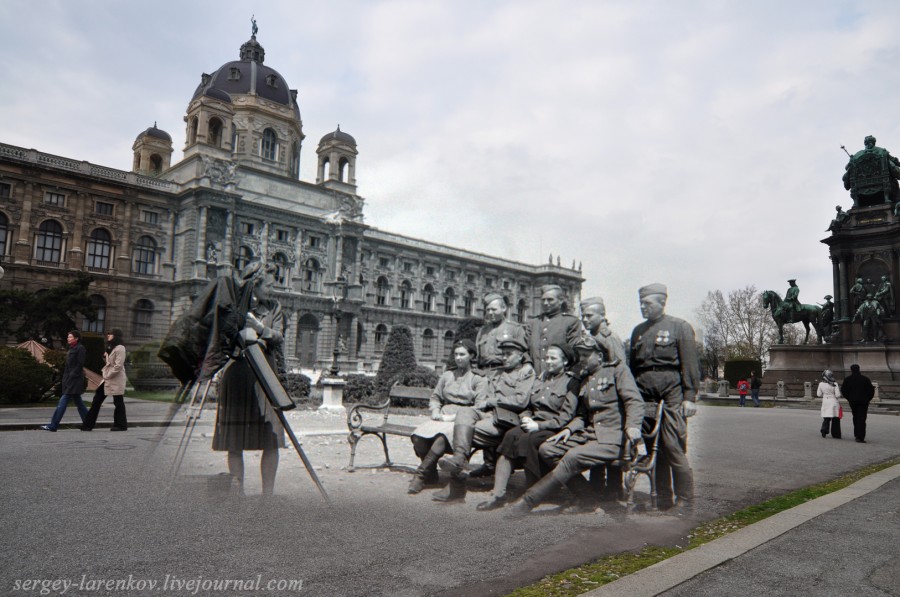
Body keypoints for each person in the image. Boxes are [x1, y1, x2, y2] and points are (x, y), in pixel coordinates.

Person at [507, 335, 644, 516]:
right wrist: (568, 429)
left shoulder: (617, 371)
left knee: (572, 456)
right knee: (548, 449)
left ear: (600, 356)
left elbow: (634, 401)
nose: (581, 360)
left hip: (613, 439)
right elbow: (583, 415)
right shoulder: (585, 378)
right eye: (580, 355)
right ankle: (587, 497)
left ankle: (527, 501)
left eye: (586, 355)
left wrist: (633, 426)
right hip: (589, 435)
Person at [212, 262, 286, 496]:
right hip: (237, 379)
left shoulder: (274, 307)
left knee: (271, 439)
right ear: (255, 284)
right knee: (235, 440)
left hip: (264, 380)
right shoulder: (234, 307)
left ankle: (267, 497)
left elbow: (278, 337)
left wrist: (260, 328)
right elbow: (221, 340)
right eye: (270, 285)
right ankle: (237, 494)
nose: (273, 290)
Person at [476, 344, 578, 511]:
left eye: (553, 358)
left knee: (527, 440)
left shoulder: (571, 382)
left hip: (554, 428)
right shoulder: (541, 378)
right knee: (510, 436)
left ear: (565, 361)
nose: (549, 362)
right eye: (547, 358)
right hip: (532, 422)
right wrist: (526, 417)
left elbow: (566, 417)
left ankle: (531, 493)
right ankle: (498, 494)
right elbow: (528, 404)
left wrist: (539, 425)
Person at [433, 338, 535, 503]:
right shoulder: (497, 372)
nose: (504, 358)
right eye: (503, 354)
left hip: (505, 419)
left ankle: (456, 487)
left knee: (461, 433)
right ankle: (459, 460)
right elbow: (483, 397)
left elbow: (520, 401)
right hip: (488, 414)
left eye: (509, 354)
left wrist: (493, 401)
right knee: (464, 413)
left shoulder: (525, 373)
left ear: (521, 356)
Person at [629, 283, 699, 515]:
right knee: (652, 446)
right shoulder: (638, 331)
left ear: (662, 303)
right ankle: (663, 497)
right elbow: (633, 367)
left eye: (647, 303)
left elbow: (689, 364)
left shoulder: (679, 327)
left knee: (672, 446)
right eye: (641, 303)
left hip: (672, 393)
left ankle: (685, 500)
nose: (643, 307)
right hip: (646, 394)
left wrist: (689, 396)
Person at [407, 340, 484, 494]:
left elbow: (480, 406)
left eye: (462, 354)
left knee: (440, 438)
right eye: (456, 354)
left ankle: (421, 475)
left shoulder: (478, 378)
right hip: (442, 416)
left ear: (472, 356)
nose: (458, 358)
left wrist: (456, 417)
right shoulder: (447, 375)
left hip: (463, 419)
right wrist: (435, 411)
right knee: (417, 437)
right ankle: (432, 472)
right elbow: (435, 397)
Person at [40, 330, 89, 432]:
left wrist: (71, 376)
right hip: (69, 379)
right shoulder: (71, 349)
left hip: (74, 380)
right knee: (79, 403)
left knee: (62, 403)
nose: (68, 338)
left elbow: (80, 364)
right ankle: (89, 423)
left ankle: (53, 425)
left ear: (76, 338)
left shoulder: (80, 348)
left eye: (70, 337)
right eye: (68, 337)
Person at [80, 329, 128, 431]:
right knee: (97, 399)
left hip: (116, 378)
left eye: (110, 334)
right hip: (108, 378)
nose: (108, 335)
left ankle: (120, 425)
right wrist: (105, 357)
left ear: (116, 336)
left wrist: (108, 375)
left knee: (118, 401)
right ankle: (88, 424)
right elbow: (109, 363)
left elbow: (118, 366)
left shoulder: (120, 348)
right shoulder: (111, 347)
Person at [529, 285, 581, 376]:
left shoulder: (571, 322)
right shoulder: (533, 323)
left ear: (560, 301)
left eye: (550, 300)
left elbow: (573, 353)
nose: (545, 303)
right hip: (534, 377)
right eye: (543, 300)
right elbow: (524, 348)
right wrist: (527, 363)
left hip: (558, 379)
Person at [475, 292, 529, 370]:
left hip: (505, 372)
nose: (490, 313)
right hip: (484, 373)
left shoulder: (516, 329)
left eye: (494, 309)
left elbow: (524, 353)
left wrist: (527, 365)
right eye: (488, 310)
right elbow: (477, 357)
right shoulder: (482, 331)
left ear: (503, 308)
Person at [579, 296, 626, 363]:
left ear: (602, 315)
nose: (584, 320)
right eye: (583, 316)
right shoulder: (590, 336)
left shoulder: (610, 338)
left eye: (589, 316)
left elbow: (620, 368)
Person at [840, 364, 875, 443]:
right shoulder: (865, 379)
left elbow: (844, 390)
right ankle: (861, 437)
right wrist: (868, 399)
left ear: (851, 370)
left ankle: (856, 434)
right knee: (862, 418)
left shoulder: (847, 379)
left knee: (855, 417)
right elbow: (871, 391)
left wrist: (849, 398)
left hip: (853, 401)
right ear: (859, 369)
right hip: (863, 401)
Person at [817, 370, 842, 439]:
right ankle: (836, 434)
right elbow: (837, 395)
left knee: (826, 418)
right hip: (833, 401)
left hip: (825, 401)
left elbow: (818, 394)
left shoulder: (821, 384)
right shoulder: (835, 384)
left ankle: (824, 430)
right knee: (835, 418)